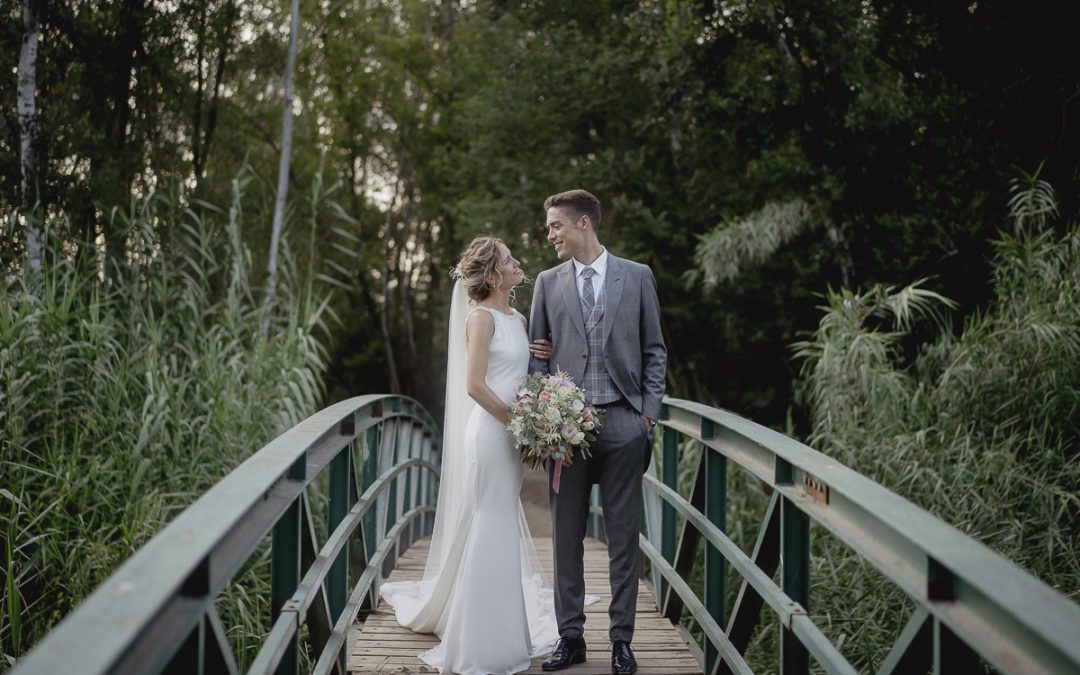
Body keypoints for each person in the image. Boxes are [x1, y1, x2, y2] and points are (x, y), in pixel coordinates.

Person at [380, 235, 559, 675]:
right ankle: (479, 644)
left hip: (511, 436)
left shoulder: (516, 316)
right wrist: (521, 425)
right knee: (490, 522)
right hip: (490, 435)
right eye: (510, 260)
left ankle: (505, 634)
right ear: (496, 274)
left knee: (498, 523)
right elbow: (475, 385)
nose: (519, 263)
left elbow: (520, 369)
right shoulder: (480, 319)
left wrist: (544, 357)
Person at [528, 189, 667, 675]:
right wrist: (547, 419)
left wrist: (647, 414)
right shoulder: (547, 283)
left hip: (625, 424)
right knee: (566, 537)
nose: (550, 236)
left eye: (555, 227)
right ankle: (571, 637)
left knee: (623, 537)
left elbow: (655, 349)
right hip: (566, 434)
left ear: (583, 223)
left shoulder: (637, 276)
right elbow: (536, 358)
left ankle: (621, 641)